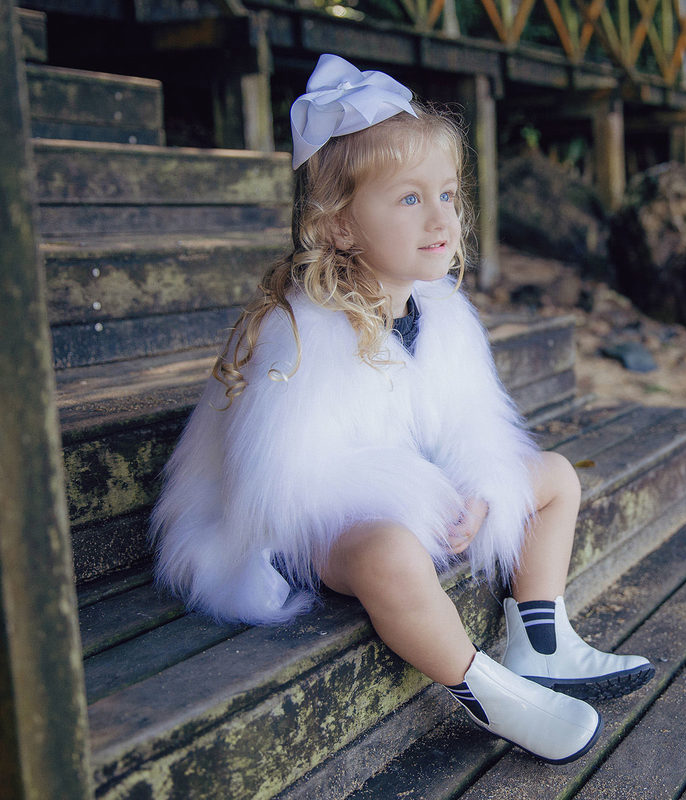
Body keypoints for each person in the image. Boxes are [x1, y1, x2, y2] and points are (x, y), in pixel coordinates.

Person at [149, 53, 653, 764]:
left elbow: (470, 425)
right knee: (389, 553)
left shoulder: (442, 312)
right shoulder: (299, 335)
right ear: (340, 226)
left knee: (554, 478)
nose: (441, 217)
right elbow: (285, 484)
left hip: (413, 494)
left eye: (447, 194)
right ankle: (491, 692)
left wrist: (478, 490)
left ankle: (541, 641)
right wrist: (422, 500)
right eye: (409, 200)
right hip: (302, 529)